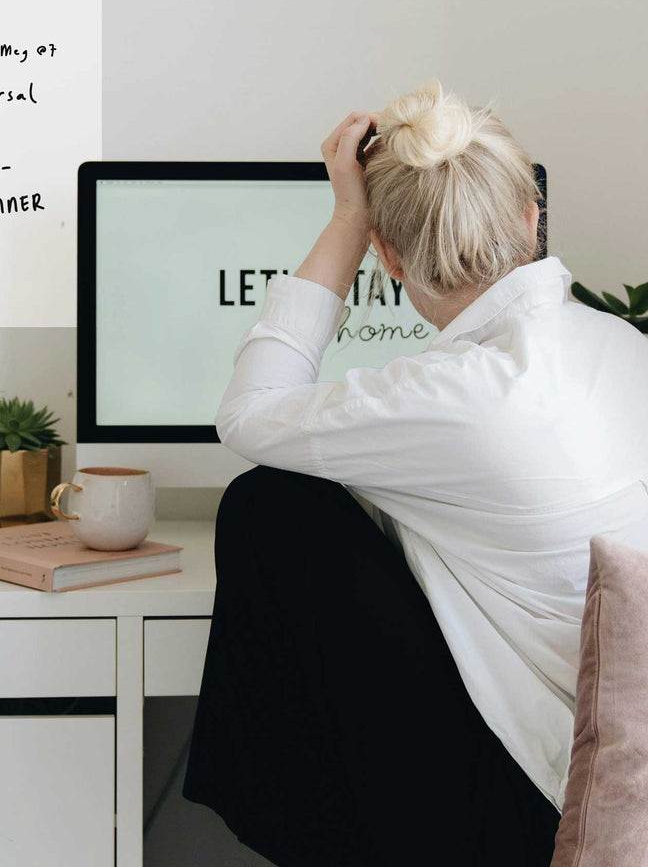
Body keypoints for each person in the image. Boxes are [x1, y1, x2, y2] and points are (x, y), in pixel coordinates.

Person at [181, 79, 648, 866]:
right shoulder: (623, 349)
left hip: (540, 805)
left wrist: (345, 218)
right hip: (611, 767)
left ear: (389, 259)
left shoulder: (457, 394)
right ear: (533, 218)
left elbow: (249, 415)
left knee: (271, 504)